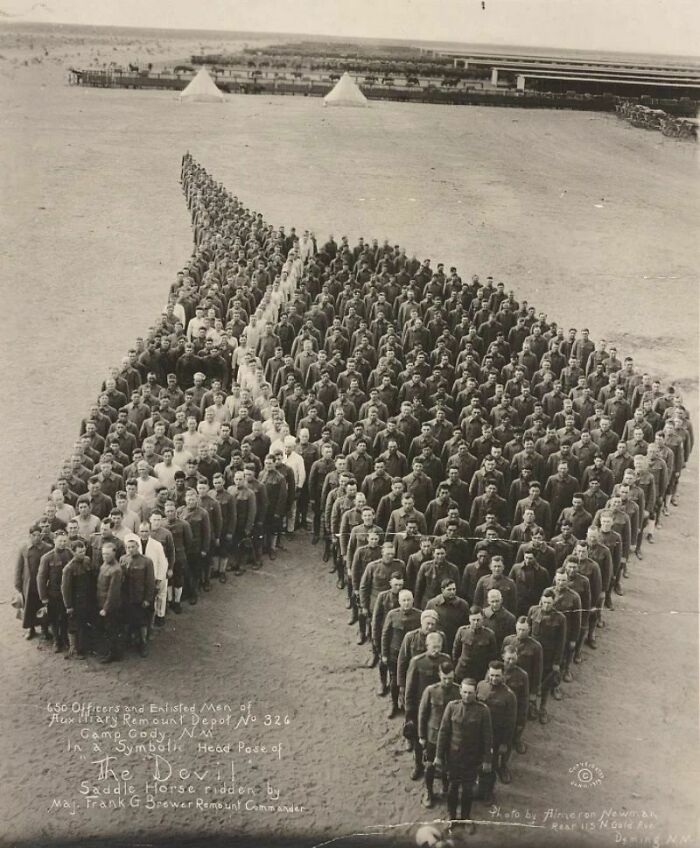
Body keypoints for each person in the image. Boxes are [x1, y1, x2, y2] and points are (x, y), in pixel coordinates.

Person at [434, 678, 493, 832]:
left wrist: (487, 760)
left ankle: (466, 818)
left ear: (476, 693)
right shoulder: (452, 707)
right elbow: (443, 732)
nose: (467, 696)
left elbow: (488, 737)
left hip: (472, 759)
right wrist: (439, 756)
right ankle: (452, 818)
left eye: (470, 693)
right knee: (452, 789)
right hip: (453, 758)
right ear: (460, 691)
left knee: (468, 790)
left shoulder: (483, 710)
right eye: (465, 692)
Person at [404, 631, 451, 781]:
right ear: (426, 646)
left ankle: (439, 766)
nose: (436, 650)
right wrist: (409, 712)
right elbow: (410, 688)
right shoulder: (417, 662)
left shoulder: (446, 659)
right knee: (420, 738)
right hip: (421, 707)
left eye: (439, 647)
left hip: (439, 706)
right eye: (433, 647)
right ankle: (418, 765)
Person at [417, 660, 460, 808]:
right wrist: (422, 736)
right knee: (430, 766)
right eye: (444, 678)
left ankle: (445, 788)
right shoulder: (430, 691)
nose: (447, 681)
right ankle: (429, 791)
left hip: (451, 737)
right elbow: (422, 715)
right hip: (433, 736)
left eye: (450, 678)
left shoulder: (458, 691)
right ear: (439, 675)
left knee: (449, 765)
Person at [380, 587, 421, 716]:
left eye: (409, 600)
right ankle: (394, 703)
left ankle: (407, 704)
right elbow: (385, 635)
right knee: (394, 680)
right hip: (395, 653)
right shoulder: (392, 615)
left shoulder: (420, 615)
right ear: (399, 601)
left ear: (413, 600)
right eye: (403, 600)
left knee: (411, 680)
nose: (406, 603)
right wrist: (384, 654)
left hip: (412, 654)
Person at [476, 660, 518, 788]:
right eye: (492, 675)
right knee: (477, 758)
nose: (494, 678)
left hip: (496, 735)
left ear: (503, 675)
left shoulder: (509, 696)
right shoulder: (481, 686)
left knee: (491, 764)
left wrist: (505, 743)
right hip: (478, 732)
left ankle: (488, 791)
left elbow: (510, 722)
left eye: (497, 676)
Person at [36, 529, 73, 653]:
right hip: (53, 594)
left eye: (64, 541)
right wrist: (44, 597)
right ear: (54, 541)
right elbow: (41, 579)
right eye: (60, 541)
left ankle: (64, 638)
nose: (63, 543)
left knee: (64, 617)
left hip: (66, 593)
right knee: (54, 618)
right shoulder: (47, 558)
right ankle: (57, 641)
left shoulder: (69, 554)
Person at [15, 526, 53, 641]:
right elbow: (19, 567)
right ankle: (30, 629)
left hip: (42, 584)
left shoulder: (47, 548)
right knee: (29, 607)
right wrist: (17, 582)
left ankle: (45, 629)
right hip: (28, 584)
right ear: (29, 536)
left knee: (42, 607)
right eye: (34, 535)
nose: (36, 537)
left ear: (42, 535)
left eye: (38, 535)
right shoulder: (24, 548)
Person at [120, 534, 155, 657]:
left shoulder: (147, 561)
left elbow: (150, 582)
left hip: (140, 598)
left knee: (142, 623)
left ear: (138, 546)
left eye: (133, 547)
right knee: (128, 620)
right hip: (127, 597)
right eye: (128, 547)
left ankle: (143, 644)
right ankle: (129, 641)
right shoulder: (123, 559)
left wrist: (147, 599)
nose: (130, 550)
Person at [61, 538, 95, 659]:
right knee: (74, 625)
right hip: (76, 602)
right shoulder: (68, 569)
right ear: (73, 552)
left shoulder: (87, 561)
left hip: (87, 600)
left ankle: (84, 647)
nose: (83, 554)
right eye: (80, 552)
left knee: (84, 624)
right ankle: (74, 649)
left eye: (84, 551)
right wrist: (68, 606)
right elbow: (65, 589)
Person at [96, 540, 123, 663]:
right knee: (107, 629)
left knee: (112, 630)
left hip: (110, 606)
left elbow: (113, 593)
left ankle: (113, 654)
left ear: (114, 554)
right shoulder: (104, 564)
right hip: (101, 602)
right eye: (103, 554)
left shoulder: (116, 570)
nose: (105, 556)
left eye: (108, 554)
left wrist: (105, 609)